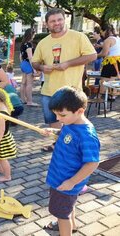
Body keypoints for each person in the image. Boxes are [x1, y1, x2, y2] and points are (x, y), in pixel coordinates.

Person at [32, 8, 96, 152]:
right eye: (53, 21)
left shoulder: (78, 37)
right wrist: (42, 67)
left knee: (74, 121)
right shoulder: (43, 42)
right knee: (53, 121)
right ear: (47, 24)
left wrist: (67, 64)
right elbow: (34, 63)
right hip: (48, 90)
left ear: (64, 20)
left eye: (59, 19)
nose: (57, 23)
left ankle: (76, 148)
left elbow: (92, 56)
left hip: (71, 91)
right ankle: (58, 145)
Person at [41, 86, 100, 236]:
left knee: (61, 214)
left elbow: (92, 163)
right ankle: (72, 225)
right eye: (56, 114)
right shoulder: (70, 123)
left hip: (66, 181)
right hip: (61, 177)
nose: (58, 119)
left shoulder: (86, 135)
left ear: (80, 111)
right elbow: (64, 134)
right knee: (66, 208)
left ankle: (65, 230)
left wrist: (72, 182)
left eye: (62, 115)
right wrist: (53, 132)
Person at [97, 24, 120, 93]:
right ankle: (112, 96)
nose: (102, 34)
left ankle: (100, 98)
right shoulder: (118, 38)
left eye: (102, 32)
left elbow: (104, 53)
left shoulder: (108, 40)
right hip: (118, 62)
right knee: (113, 81)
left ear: (105, 31)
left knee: (103, 81)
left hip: (110, 62)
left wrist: (95, 56)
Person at [20, 28, 38, 106]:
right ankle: (30, 101)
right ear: (32, 34)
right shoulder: (29, 44)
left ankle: (23, 99)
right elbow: (31, 58)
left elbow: (20, 56)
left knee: (23, 83)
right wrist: (34, 69)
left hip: (23, 63)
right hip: (27, 64)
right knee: (29, 84)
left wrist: (22, 64)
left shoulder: (23, 44)